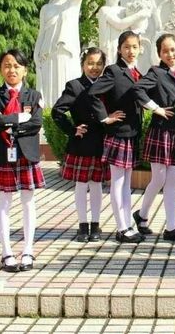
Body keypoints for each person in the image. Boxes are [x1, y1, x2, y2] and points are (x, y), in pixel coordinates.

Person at [134, 33, 175, 241]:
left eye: (173, 49)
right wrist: (156, 108)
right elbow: (138, 90)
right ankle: (142, 214)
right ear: (159, 54)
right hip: (161, 130)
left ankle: (171, 228)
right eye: (165, 51)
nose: (170, 54)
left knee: (172, 180)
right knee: (159, 178)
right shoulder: (156, 72)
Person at [0, 49, 44, 273]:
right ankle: (6, 252)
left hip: (27, 154)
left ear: (25, 70)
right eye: (7, 66)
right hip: (5, 154)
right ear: (1, 70)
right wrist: (19, 118)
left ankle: (28, 250)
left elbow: (36, 123)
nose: (12, 70)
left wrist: (10, 126)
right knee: (4, 202)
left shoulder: (33, 95)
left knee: (28, 201)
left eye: (16, 66)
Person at [88, 31, 143, 244]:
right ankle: (121, 228)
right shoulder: (113, 71)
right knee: (118, 183)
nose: (131, 51)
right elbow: (93, 92)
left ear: (140, 48)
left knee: (127, 183)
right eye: (126, 47)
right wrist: (105, 118)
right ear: (119, 49)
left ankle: (128, 224)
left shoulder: (136, 72)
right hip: (118, 134)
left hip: (132, 133)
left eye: (134, 47)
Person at [52, 47, 109, 243]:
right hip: (82, 143)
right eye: (90, 63)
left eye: (99, 63)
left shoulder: (106, 85)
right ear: (83, 65)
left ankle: (96, 224)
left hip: (101, 141)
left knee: (97, 185)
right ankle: (82, 225)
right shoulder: (75, 86)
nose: (94, 67)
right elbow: (57, 111)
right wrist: (72, 129)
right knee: (81, 185)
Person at [34, 0, 87, 107]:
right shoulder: (46, 9)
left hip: (66, 52)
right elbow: (41, 33)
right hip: (48, 53)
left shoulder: (72, 3)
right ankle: (48, 114)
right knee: (49, 86)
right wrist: (36, 54)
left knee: (67, 82)